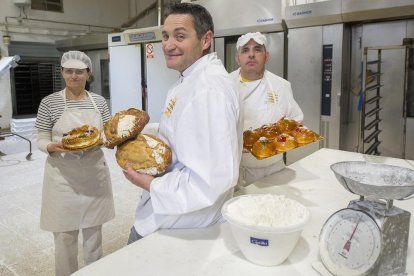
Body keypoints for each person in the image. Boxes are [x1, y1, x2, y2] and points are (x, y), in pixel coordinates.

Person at [123, 2, 242, 242]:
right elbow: (188, 134)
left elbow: (210, 181)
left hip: (179, 224)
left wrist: (149, 184)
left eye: (180, 36)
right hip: (175, 215)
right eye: (165, 36)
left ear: (206, 39)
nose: (168, 45)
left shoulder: (208, 89)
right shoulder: (190, 79)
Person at [35, 50, 114, 276]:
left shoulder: (98, 102)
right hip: (62, 178)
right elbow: (41, 138)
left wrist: (106, 141)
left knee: (93, 239)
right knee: (64, 239)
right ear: (62, 72)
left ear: (88, 74)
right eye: (69, 71)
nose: (74, 76)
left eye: (79, 72)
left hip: (93, 177)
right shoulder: (49, 103)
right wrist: (51, 146)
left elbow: (107, 132)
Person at [230, 32, 304, 187]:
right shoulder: (225, 85)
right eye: (245, 50)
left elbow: (296, 121)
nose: (251, 55)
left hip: (274, 169)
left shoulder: (281, 85)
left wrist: (278, 134)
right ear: (238, 58)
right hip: (237, 171)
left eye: (257, 49)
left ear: (266, 56)